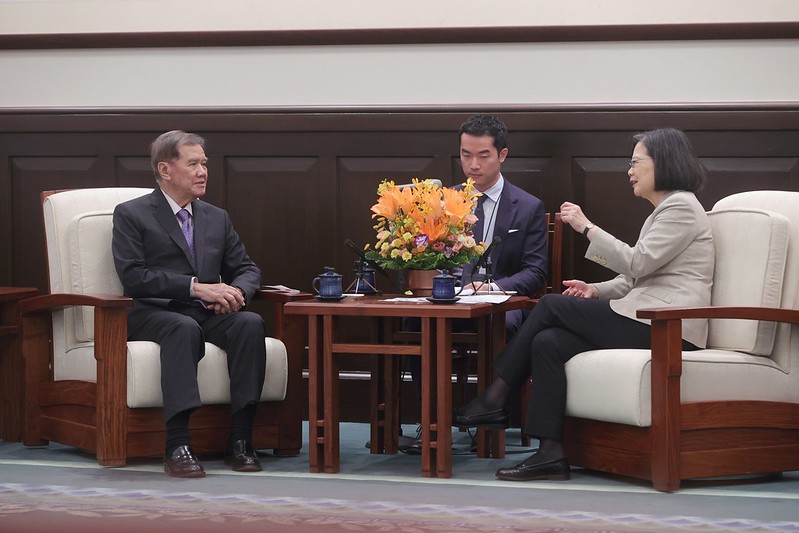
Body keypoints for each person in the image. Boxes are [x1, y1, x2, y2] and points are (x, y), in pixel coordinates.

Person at [452, 127, 714, 482]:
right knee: (548, 342)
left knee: (549, 307)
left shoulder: (681, 207)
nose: (630, 171)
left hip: (669, 324)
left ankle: (496, 396)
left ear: (663, 163)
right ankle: (550, 453)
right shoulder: (666, 209)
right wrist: (595, 289)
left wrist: (586, 227)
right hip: (649, 315)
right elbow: (638, 277)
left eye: (636, 162)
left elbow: (637, 262)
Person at [112, 130, 267, 478]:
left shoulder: (216, 217)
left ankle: (241, 439)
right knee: (181, 328)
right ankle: (177, 444)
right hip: (154, 312)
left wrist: (235, 293)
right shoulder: (132, 214)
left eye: (204, 164)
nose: (203, 172)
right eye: (193, 164)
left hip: (205, 313)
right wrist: (197, 289)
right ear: (165, 169)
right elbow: (134, 276)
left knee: (249, 323)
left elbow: (246, 268)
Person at [401, 114, 548, 452]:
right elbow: (424, 254)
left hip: (500, 305)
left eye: (483, 155)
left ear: (502, 155)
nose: (473, 164)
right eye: (466, 155)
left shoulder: (527, 207)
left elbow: (536, 272)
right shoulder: (442, 203)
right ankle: (431, 420)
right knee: (413, 321)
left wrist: (491, 288)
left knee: (506, 324)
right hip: (447, 300)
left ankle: (486, 417)